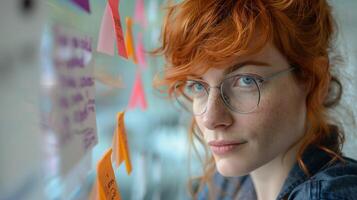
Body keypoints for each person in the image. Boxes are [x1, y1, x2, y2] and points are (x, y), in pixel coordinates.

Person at [153, 0, 357, 199]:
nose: (211, 119)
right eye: (197, 85)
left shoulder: (327, 194)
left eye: (246, 81)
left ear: (311, 79)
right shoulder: (228, 184)